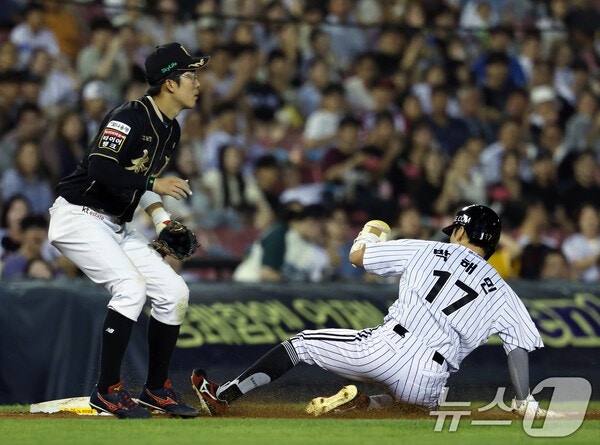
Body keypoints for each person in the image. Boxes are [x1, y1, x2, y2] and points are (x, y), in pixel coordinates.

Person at [190, 204, 546, 419]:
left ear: (463, 231)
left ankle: (223, 396)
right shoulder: (502, 291)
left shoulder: (428, 250)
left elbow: (357, 257)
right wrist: (524, 400)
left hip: (386, 348)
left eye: (455, 229)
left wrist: (370, 232)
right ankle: (363, 405)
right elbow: (518, 346)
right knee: (408, 409)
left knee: (301, 345)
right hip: (430, 377)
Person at [47, 42, 209, 419]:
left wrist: (161, 220)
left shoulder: (171, 130)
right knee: (131, 287)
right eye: (191, 76)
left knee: (174, 292)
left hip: (116, 224)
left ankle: (156, 389)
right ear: (169, 83)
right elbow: (101, 169)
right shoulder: (130, 115)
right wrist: (155, 183)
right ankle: (107, 391)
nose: (198, 83)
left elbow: (136, 180)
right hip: (79, 215)